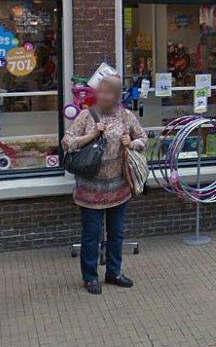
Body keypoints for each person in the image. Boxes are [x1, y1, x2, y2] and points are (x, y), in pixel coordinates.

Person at [61, 74, 146, 295]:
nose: (104, 96)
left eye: (109, 92)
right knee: (91, 234)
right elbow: (66, 143)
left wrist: (132, 143)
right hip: (90, 190)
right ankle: (90, 276)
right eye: (101, 91)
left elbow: (143, 139)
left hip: (119, 187)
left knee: (116, 233)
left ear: (117, 95)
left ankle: (113, 272)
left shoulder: (126, 116)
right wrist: (91, 135)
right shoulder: (86, 115)